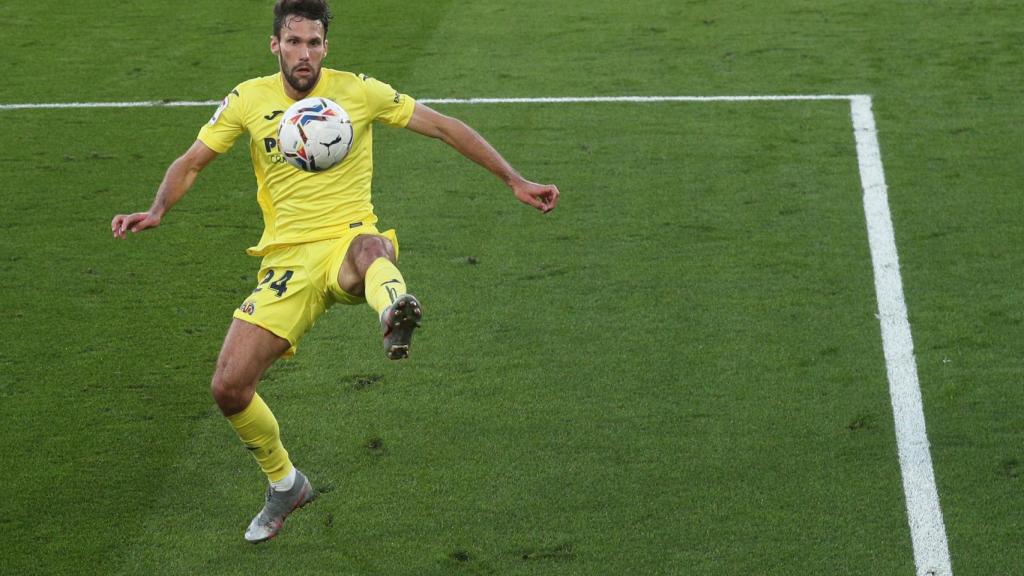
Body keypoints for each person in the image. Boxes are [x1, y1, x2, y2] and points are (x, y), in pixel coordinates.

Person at [110, 0, 559, 544]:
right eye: (294, 42)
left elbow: (442, 127)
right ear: (275, 44)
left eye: (315, 43)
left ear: (326, 46)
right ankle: (286, 484)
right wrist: (157, 209)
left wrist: (513, 179)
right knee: (229, 387)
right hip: (286, 261)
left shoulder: (358, 91)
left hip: (347, 240)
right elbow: (192, 161)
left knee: (373, 247)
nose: (305, 54)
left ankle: (394, 309)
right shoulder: (248, 99)